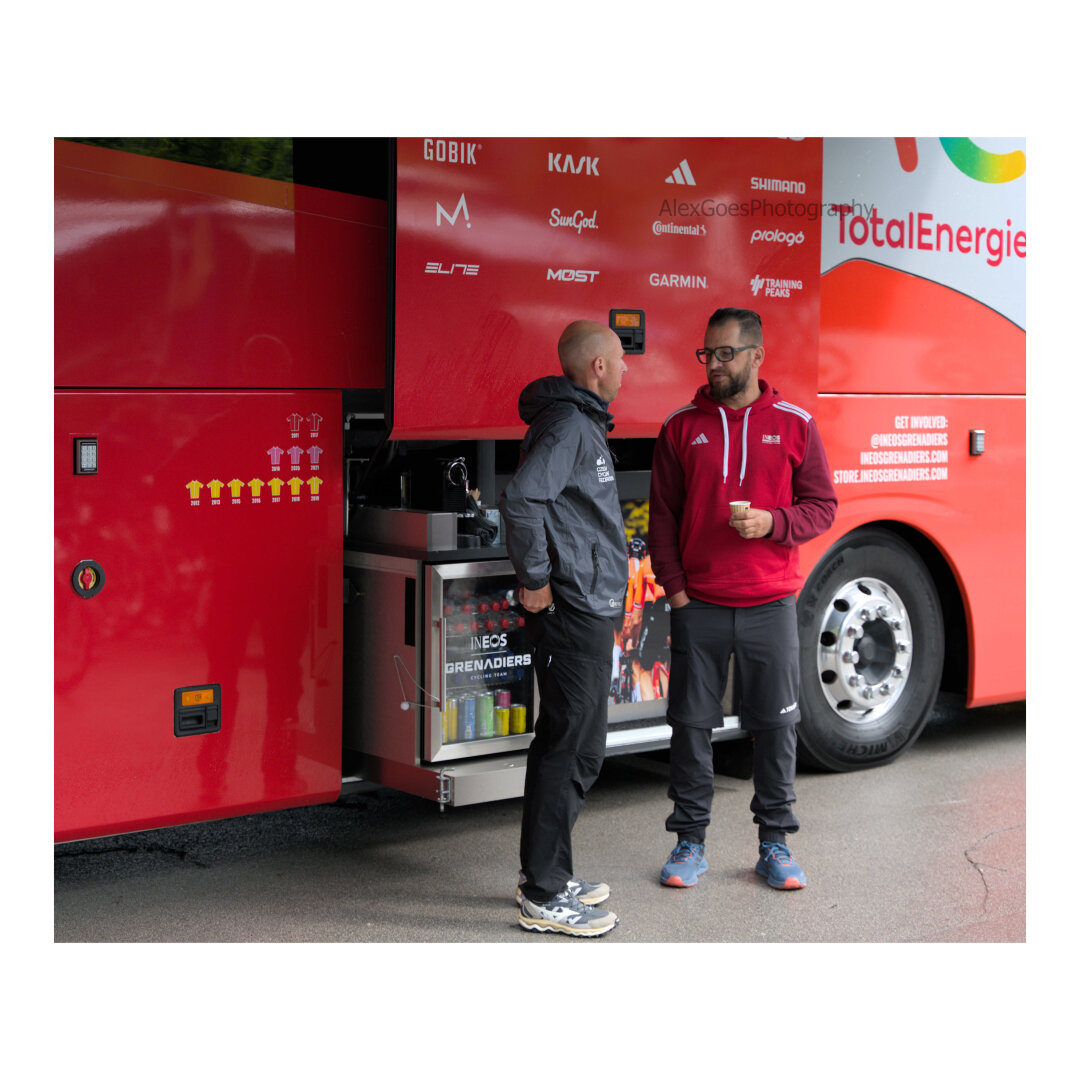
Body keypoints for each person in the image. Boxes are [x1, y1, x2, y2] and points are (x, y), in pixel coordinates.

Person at [647, 307, 837, 890]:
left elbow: (822, 507)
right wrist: (675, 591)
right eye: (707, 354)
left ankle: (774, 846)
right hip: (698, 605)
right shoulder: (681, 426)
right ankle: (689, 844)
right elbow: (663, 516)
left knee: (778, 730)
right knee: (690, 727)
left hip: (770, 605)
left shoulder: (797, 423)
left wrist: (774, 523)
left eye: (726, 353)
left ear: (757, 355)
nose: (714, 365)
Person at [499, 319, 628, 936]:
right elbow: (522, 498)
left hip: (589, 605)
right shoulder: (572, 426)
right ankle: (544, 894)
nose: (628, 369)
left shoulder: (579, 424)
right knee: (564, 746)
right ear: (598, 366)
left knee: (584, 747)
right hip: (573, 608)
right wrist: (537, 578)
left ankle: (550, 870)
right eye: (621, 359)